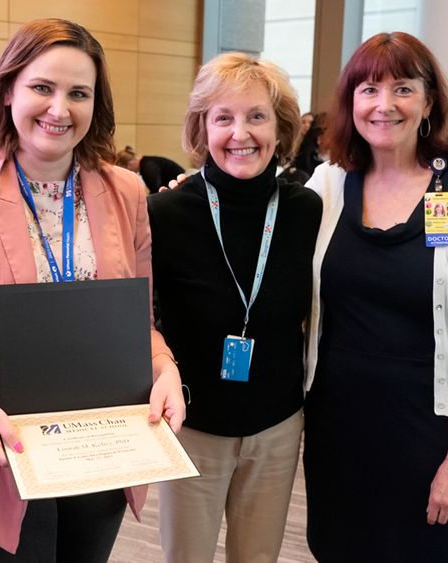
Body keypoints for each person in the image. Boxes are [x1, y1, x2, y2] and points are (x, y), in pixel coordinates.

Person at [0, 18, 185, 562]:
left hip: (103, 445)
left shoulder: (126, 191)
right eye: (42, 87)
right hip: (0, 450)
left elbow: (136, 324)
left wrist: (166, 369)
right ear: (8, 89)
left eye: (78, 93)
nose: (59, 109)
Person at [304, 32, 448, 562]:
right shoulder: (327, 185)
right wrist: (192, 193)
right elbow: (259, 233)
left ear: (428, 102)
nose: (383, 105)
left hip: (431, 436)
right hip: (338, 429)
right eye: (369, 89)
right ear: (350, 102)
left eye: (402, 88)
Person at [148, 53, 321, 563]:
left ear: (280, 127)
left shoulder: (306, 210)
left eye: (256, 116)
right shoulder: (165, 212)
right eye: (223, 117)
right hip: (192, 426)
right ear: (203, 127)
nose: (239, 133)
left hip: (277, 426)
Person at [116, 145, 186, 194]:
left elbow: (156, 190)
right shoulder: (147, 163)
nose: (129, 172)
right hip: (178, 187)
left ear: (129, 163)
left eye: (125, 168)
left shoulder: (147, 167)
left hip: (181, 188)